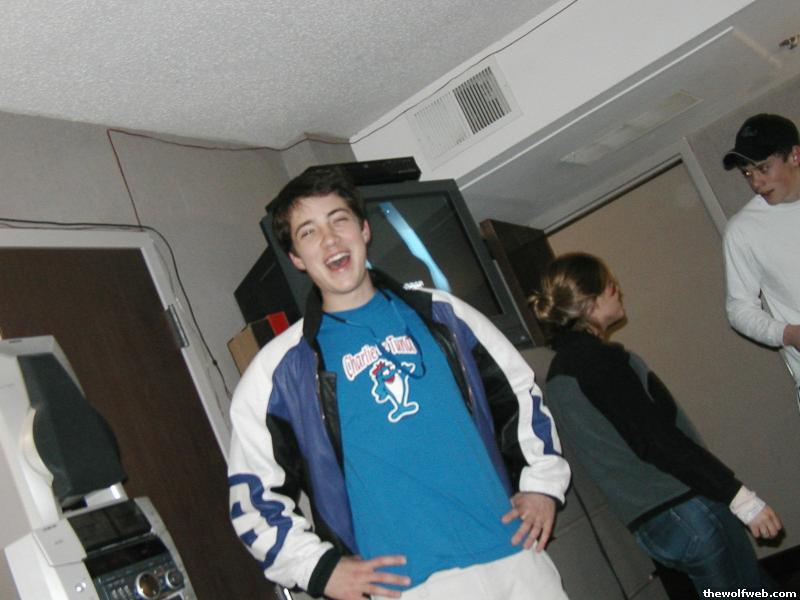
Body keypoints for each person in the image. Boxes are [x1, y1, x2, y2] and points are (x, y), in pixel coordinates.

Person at [227, 166, 571, 600]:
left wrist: (542, 485)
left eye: (339, 220)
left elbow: (520, 395)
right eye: (308, 232)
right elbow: (254, 497)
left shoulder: (445, 315)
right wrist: (318, 568)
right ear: (296, 258)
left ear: (364, 230)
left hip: (516, 560)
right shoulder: (278, 371)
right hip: (408, 589)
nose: (330, 240)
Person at [530, 252, 782, 594]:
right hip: (686, 509)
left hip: (656, 525)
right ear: (589, 302)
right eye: (610, 286)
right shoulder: (596, 362)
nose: (618, 290)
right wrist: (740, 498)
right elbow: (656, 440)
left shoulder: (562, 370)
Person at [721, 113, 800, 388]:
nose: (755, 183)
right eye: (747, 173)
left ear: (795, 156)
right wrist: (787, 334)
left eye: (763, 168)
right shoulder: (743, 230)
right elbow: (739, 308)